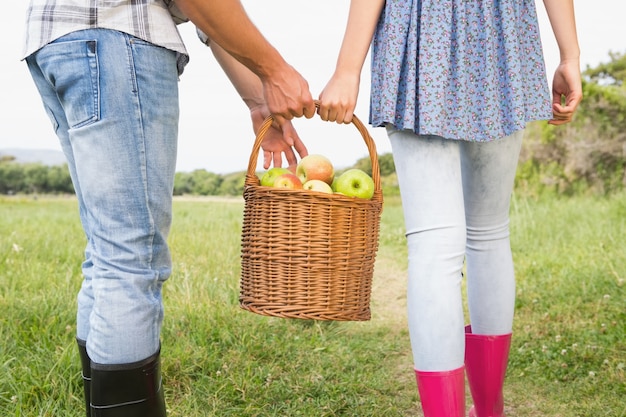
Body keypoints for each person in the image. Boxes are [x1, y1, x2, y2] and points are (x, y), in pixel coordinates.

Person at [23, 1, 314, 416]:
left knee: (109, 255)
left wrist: (256, 100)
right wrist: (275, 70)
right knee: (131, 260)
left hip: (60, 39)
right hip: (116, 41)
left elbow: (202, 16)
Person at [318, 1, 582, 416]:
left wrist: (348, 68)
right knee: (489, 234)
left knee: (434, 246)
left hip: (421, 30)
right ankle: (490, 410)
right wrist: (570, 55)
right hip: (501, 28)